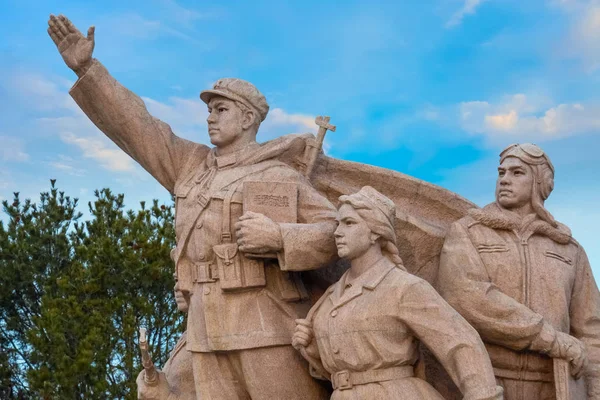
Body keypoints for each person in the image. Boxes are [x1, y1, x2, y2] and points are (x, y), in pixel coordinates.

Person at [47, 14, 336, 400]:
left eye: (221, 110)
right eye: (209, 109)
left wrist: (281, 238)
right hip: (204, 332)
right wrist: (88, 69)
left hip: (268, 328)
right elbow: (138, 127)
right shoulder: (191, 166)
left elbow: (336, 231)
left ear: (248, 117)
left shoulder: (279, 174)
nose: (209, 118)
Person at [292, 186, 503, 400]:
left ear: (376, 232)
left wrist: (482, 395)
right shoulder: (331, 296)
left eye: (349, 223)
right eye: (338, 224)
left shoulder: (403, 287)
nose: (337, 232)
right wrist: (312, 348)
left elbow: (459, 341)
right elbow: (342, 367)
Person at [437, 143, 600, 399]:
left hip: (556, 387)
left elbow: (591, 330)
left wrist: (595, 391)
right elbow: (468, 297)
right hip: (490, 383)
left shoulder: (569, 249)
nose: (504, 180)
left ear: (540, 183)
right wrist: (550, 339)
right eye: (501, 173)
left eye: (517, 173)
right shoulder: (469, 232)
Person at [137, 277, 195, 400]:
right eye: (175, 280)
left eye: (185, 276)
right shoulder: (187, 336)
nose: (176, 287)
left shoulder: (215, 335)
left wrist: (166, 397)